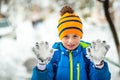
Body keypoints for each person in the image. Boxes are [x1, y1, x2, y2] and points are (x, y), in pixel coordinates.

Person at [31, 5, 111, 80]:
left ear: (80, 36)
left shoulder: (87, 55)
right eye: (66, 36)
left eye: (75, 36)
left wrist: (99, 65)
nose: (71, 41)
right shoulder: (53, 55)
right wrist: (42, 66)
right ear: (60, 37)